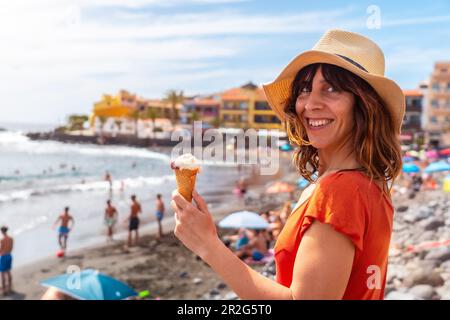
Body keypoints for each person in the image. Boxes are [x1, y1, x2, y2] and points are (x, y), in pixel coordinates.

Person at [171, 30, 403, 299]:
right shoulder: (367, 185)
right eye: (305, 90)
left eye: (331, 89)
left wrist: (209, 246)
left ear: (364, 106)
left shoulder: (341, 191)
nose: (310, 104)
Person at [0, 226, 13, 296]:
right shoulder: (11, 239)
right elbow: (11, 248)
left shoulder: (2, 240)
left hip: (4, 256)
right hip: (9, 255)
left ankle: (4, 290)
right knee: (8, 272)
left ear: (2, 231)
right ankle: (10, 287)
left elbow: (1, 249)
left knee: (2, 274)